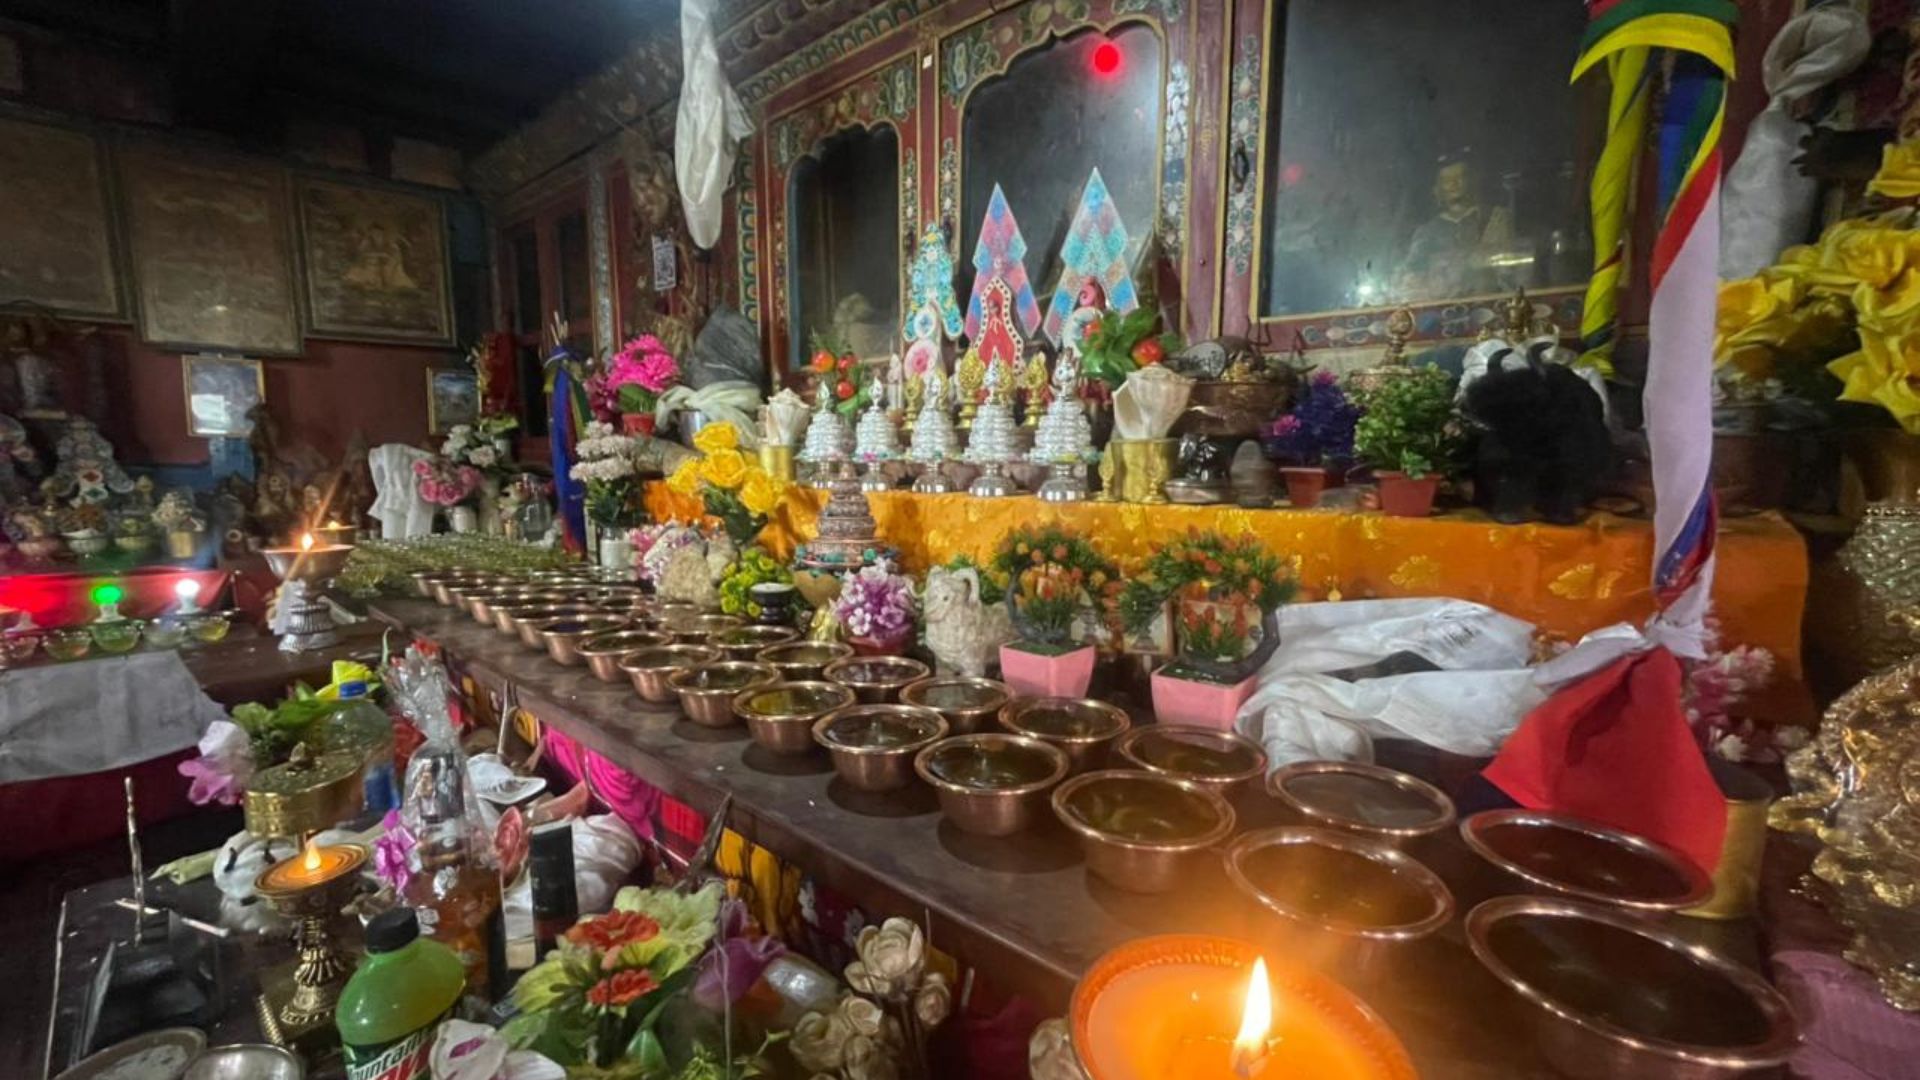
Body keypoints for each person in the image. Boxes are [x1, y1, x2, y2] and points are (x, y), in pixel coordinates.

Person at [1396, 155, 1513, 300]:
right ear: (1438, 189)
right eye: (1446, 180)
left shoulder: (1496, 218)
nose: (1453, 184)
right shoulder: (1427, 232)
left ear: (1472, 181)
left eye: (1460, 177)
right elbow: (1413, 271)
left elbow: (1508, 263)